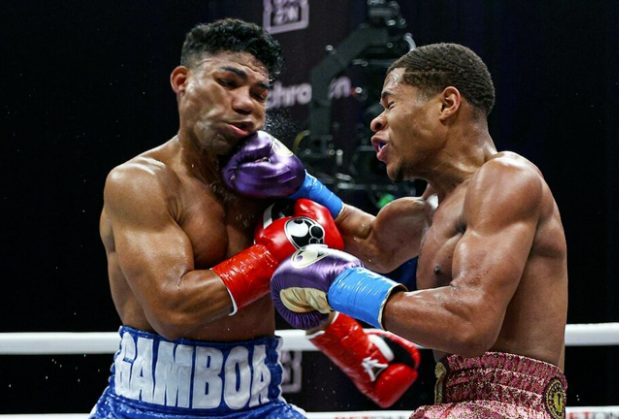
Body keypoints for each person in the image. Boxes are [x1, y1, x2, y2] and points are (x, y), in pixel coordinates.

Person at [93, 18, 420, 418]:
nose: (247, 103)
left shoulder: (273, 176)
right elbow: (172, 311)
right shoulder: (141, 183)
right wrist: (276, 253)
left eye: (260, 93)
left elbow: (377, 246)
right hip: (148, 409)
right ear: (182, 82)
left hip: (261, 406)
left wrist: (451, 193)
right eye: (227, 83)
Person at [224, 42, 569, 418]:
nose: (377, 120)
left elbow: (471, 323)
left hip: (511, 408)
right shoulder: (429, 210)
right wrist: (298, 184)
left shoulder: (507, 178)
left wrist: (341, 285)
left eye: (391, 104)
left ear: (447, 104)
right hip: (454, 404)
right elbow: (371, 243)